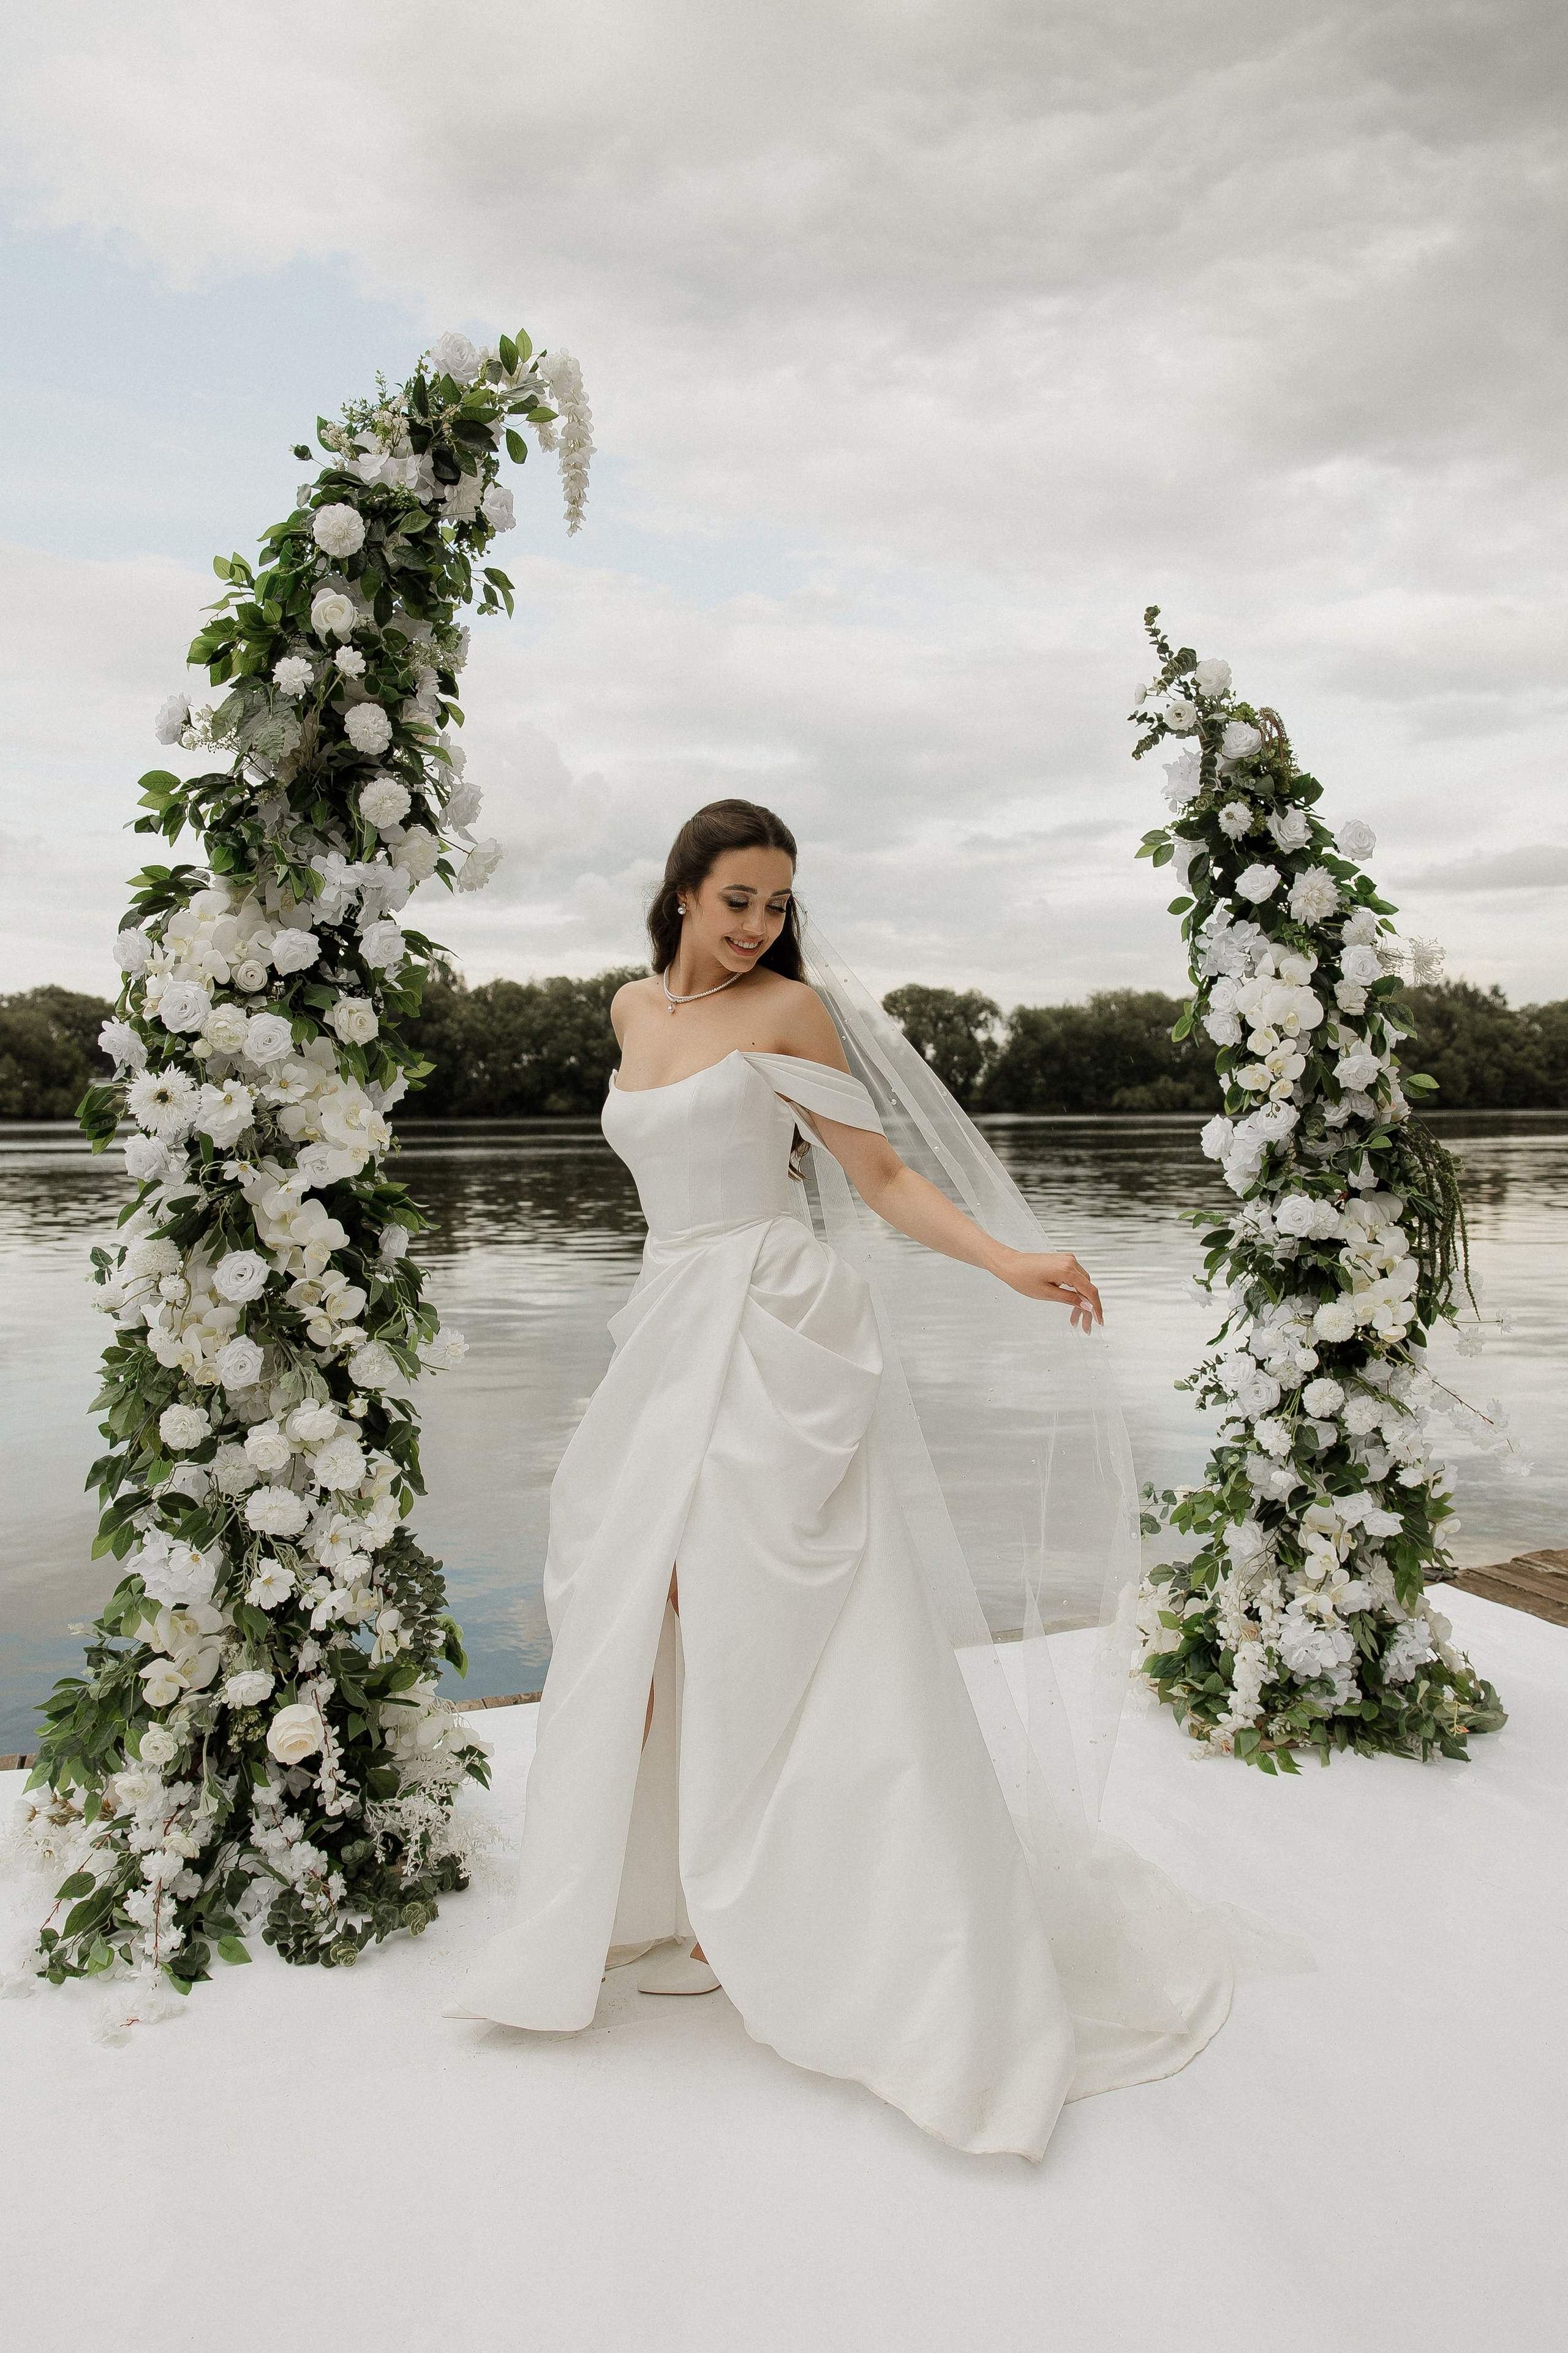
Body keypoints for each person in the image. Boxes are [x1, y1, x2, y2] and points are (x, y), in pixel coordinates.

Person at [454, 798, 1229, 2159]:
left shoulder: (792, 1017)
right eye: (737, 898)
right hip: (662, 1329)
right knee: (627, 1611)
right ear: (683, 889)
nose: (757, 925)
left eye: (775, 903)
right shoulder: (632, 1015)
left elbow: (874, 1176)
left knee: (752, 1612)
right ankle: (641, 1891)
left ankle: (758, 1916)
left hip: (762, 1328)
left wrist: (1004, 1257)